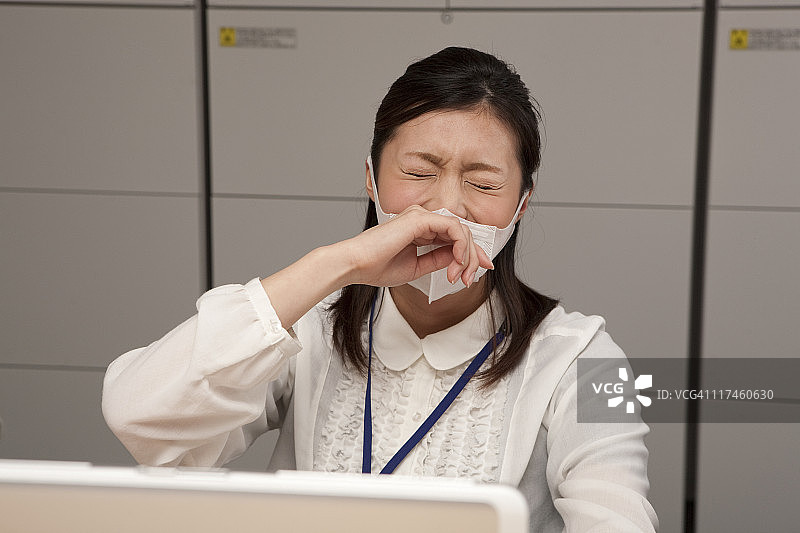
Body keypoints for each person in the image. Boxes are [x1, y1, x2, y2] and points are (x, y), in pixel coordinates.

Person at [102, 47, 658, 532]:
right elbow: (140, 418)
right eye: (418, 173)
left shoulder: (589, 358)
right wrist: (336, 264)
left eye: (483, 183)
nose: (447, 207)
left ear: (521, 202)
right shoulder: (307, 326)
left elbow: (619, 516)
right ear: (371, 177)